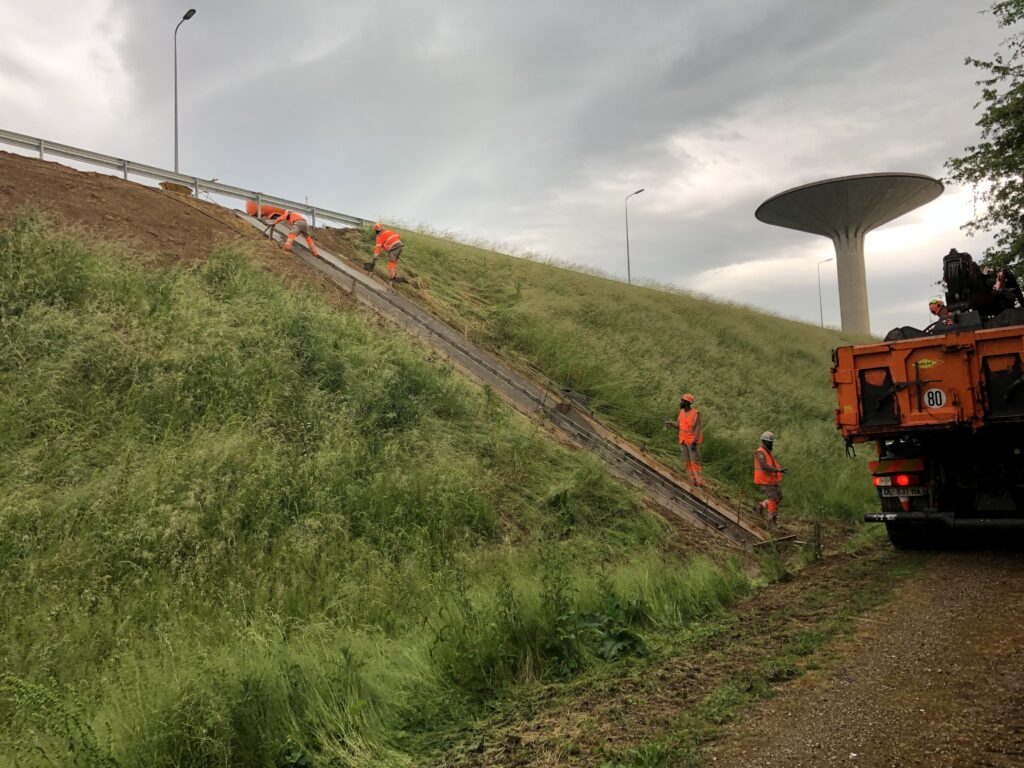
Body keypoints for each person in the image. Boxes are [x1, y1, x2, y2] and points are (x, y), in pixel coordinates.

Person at [245, 202, 319, 256]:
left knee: (291, 234)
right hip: (305, 224)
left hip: (298, 223)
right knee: (308, 238)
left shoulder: (288, 214)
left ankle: (287, 246)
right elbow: (297, 225)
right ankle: (314, 252)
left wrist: (274, 223)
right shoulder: (296, 214)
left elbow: (281, 218)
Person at [663, 393, 704, 487]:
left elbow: (698, 428)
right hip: (683, 441)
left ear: (687, 403)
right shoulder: (681, 412)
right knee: (687, 461)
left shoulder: (695, 413)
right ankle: (693, 482)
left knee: (695, 462)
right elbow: (679, 426)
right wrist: (670, 423)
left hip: (691, 442)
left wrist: (695, 442)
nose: (680, 402)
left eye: (682, 401)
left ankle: (700, 484)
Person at [753, 430, 785, 526]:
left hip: (771, 480)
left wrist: (777, 471)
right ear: (764, 441)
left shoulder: (767, 451)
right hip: (764, 481)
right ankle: (770, 522)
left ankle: (760, 506)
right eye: (769, 442)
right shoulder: (760, 452)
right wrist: (777, 470)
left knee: (779, 497)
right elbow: (763, 465)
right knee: (773, 499)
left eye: (771, 442)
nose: (771, 444)